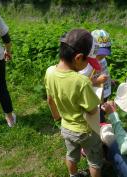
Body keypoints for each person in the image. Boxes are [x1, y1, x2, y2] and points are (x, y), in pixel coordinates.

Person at [45, 29, 103, 177]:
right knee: (94, 161)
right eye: (87, 60)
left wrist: (57, 118)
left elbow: (50, 100)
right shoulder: (81, 81)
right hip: (86, 131)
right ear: (78, 58)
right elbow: (91, 110)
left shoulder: (50, 72)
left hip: (66, 127)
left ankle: (73, 175)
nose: (89, 64)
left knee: (71, 155)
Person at [79, 29, 112, 123]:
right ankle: (100, 130)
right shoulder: (87, 64)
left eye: (105, 53)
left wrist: (110, 79)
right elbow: (81, 82)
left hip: (105, 91)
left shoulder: (102, 58)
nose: (102, 56)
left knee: (103, 110)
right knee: (98, 115)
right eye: (100, 53)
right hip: (95, 93)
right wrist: (97, 81)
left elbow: (104, 70)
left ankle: (101, 122)